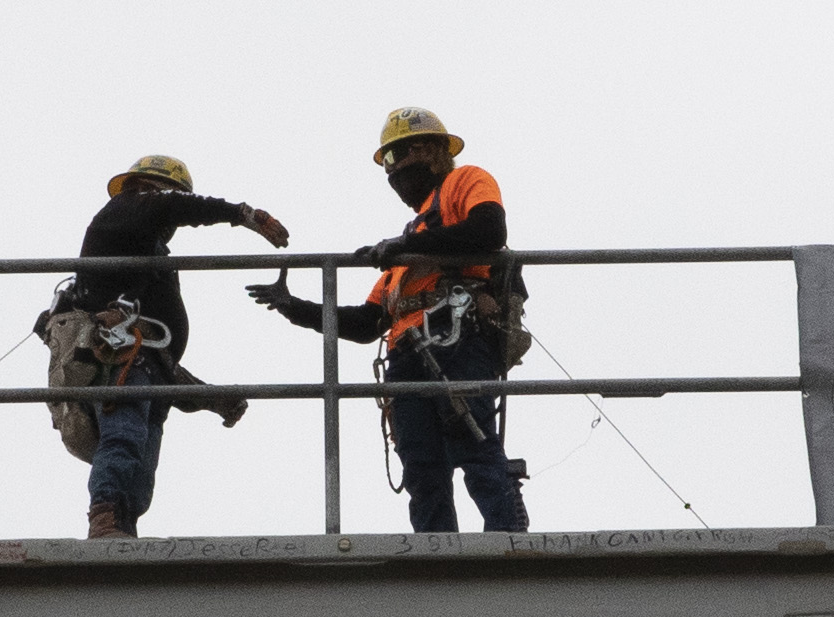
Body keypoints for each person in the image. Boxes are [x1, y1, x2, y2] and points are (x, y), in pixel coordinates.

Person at [251, 105, 529, 534]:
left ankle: (508, 537)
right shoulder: (409, 243)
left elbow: (490, 232)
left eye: (405, 154)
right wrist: (296, 308)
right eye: (390, 162)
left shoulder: (465, 181)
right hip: (406, 352)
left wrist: (402, 246)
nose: (397, 170)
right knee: (421, 464)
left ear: (436, 151)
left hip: (454, 333)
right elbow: (366, 323)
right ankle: (436, 554)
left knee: (472, 439)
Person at [65, 155, 288, 540]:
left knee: (141, 463)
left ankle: (122, 529)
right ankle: (106, 521)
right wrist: (243, 214)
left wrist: (208, 398)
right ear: (148, 190)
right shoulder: (124, 209)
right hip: (121, 360)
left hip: (145, 366)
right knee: (124, 440)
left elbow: (159, 354)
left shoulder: (146, 254)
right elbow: (175, 206)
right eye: (166, 197)